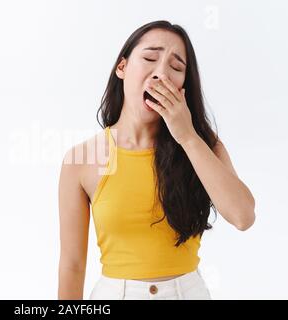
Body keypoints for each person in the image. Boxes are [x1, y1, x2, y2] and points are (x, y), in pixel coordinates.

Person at [57, 20, 256, 300]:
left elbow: (243, 216)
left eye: (176, 68)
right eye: (150, 58)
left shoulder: (202, 145)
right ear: (122, 68)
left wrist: (187, 136)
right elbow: (72, 265)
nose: (161, 73)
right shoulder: (81, 159)